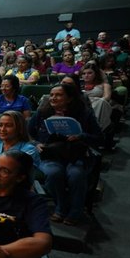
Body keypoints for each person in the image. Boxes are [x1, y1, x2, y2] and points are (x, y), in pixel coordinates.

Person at [28, 83, 102, 225]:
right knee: (54, 173)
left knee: (76, 175)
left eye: (58, 95)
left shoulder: (85, 114)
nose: (53, 98)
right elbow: (29, 134)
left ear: (69, 98)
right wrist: (36, 144)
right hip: (50, 154)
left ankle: (75, 212)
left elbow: (99, 138)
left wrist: (81, 136)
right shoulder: (42, 112)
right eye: (52, 94)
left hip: (77, 155)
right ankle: (61, 207)